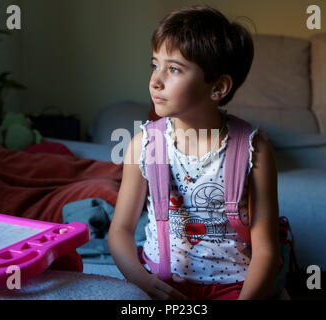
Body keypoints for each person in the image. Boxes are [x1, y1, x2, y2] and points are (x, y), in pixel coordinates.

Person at [108, 5, 281, 300]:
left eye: (174, 69)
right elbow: (121, 231)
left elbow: (266, 250)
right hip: (159, 280)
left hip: (235, 286)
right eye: (154, 65)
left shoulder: (256, 151)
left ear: (218, 87)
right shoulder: (143, 145)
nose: (155, 80)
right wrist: (143, 282)